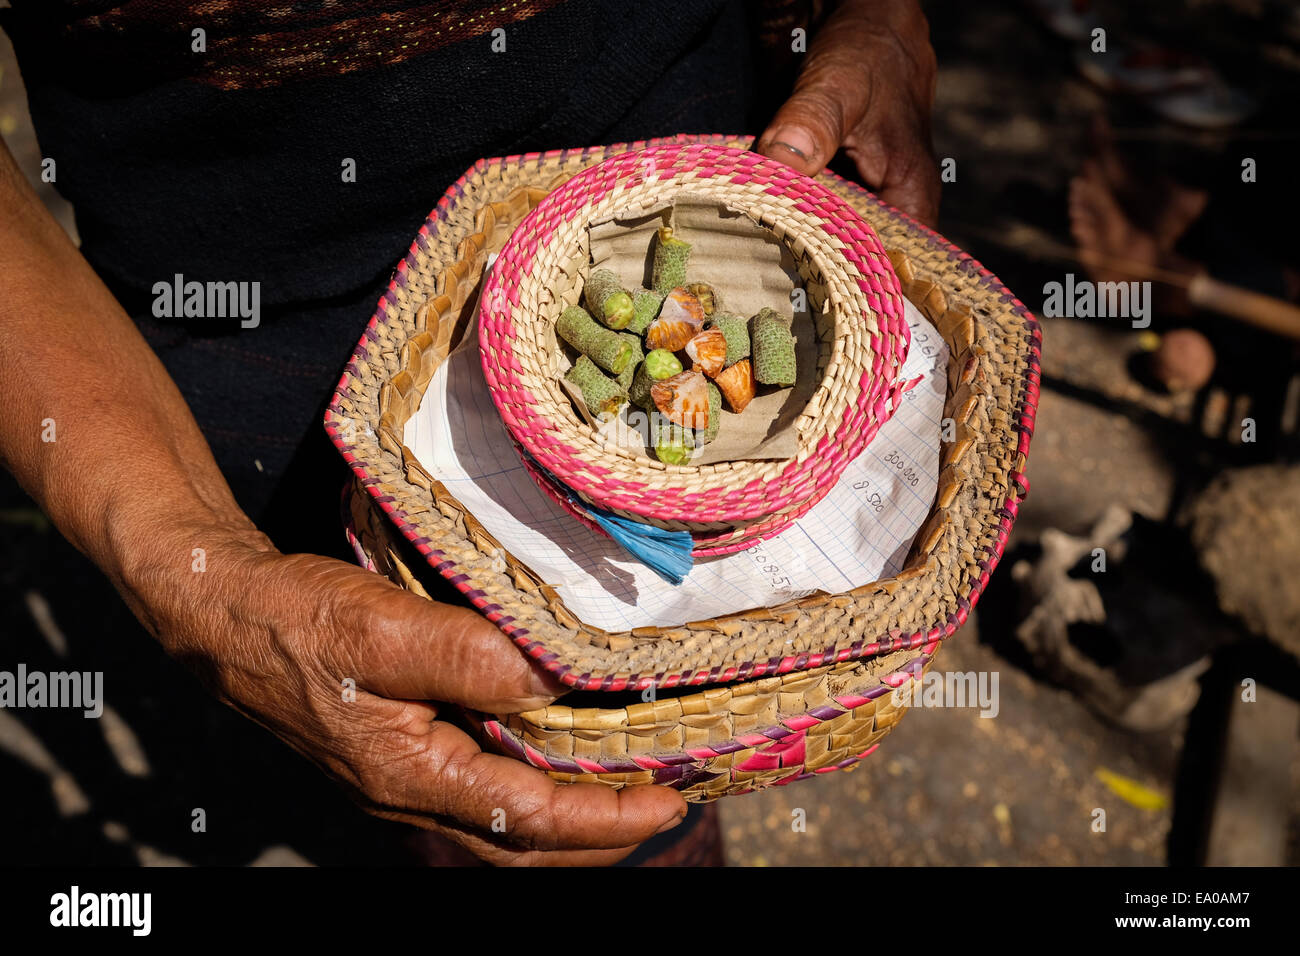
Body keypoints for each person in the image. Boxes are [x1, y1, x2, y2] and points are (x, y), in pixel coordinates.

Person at [0, 0, 938, 866]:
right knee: (457, 773)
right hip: (260, 308)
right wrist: (183, 561)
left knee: (645, 784)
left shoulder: (688, 313)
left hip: (677, 115)